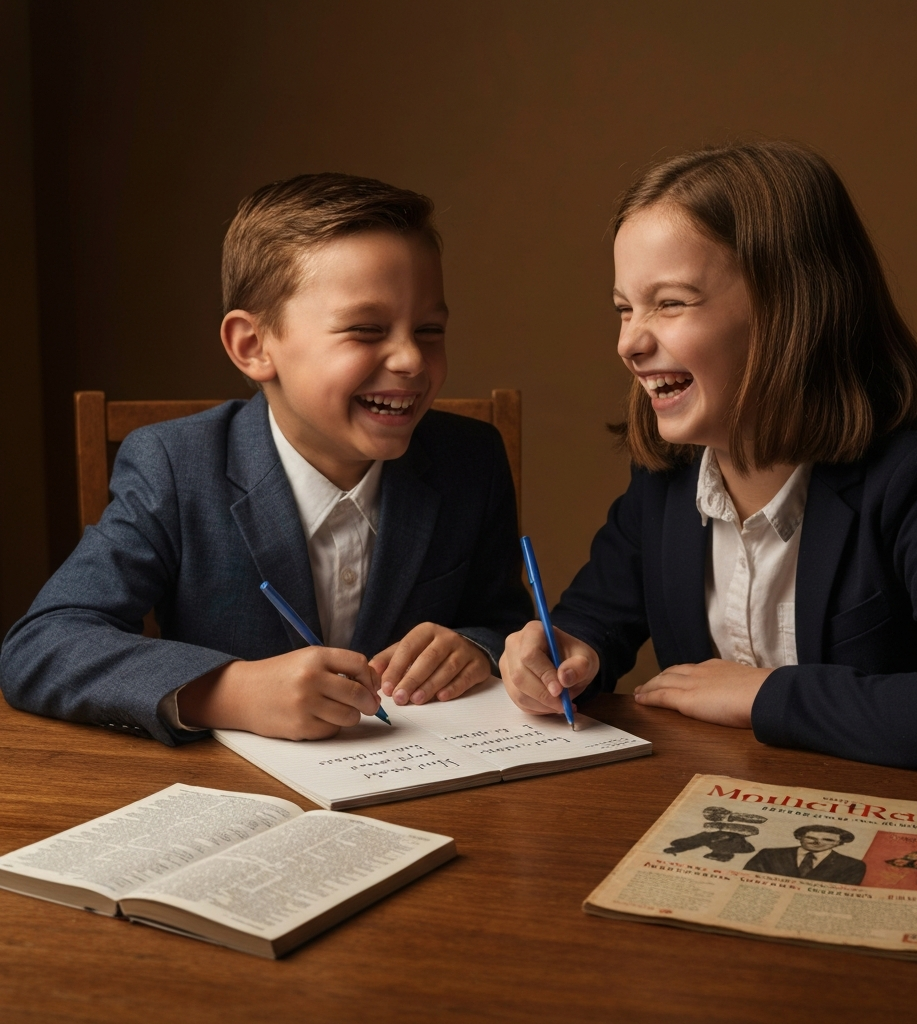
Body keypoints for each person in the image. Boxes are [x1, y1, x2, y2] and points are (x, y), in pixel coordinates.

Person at [500, 141, 917, 779]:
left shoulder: (914, 483)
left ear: (789, 311)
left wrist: (762, 693)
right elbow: (592, 623)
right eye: (624, 308)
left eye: (670, 303)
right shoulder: (664, 483)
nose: (629, 342)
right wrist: (562, 655)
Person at [1, 173, 532, 745]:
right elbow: (44, 644)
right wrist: (233, 691)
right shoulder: (175, 466)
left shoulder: (470, 460)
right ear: (253, 347)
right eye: (366, 329)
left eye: (429, 330)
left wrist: (478, 646)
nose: (411, 359)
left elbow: (507, 622)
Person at [743, 826, 865, 885]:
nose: (817, 843)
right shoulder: (769, 854)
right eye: (811, 838)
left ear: (839, 843)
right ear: (799, 838)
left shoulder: (852, 865)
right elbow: (746, 879)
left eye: (828, 840)